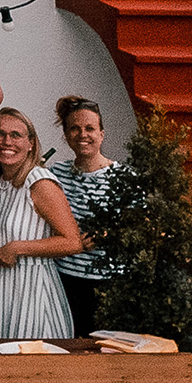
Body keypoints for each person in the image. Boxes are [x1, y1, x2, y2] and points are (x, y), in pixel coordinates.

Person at [0, 108, 85, 340]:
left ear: (31, 143)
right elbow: (15, 230)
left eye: (16, 135)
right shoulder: (2, 182)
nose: (6, 141)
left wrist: (17, 248)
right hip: (3, 289)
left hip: (32, 291)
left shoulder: (39, 182)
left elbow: (72, 242)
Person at [49, 96, 124, 331]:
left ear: (102, 134)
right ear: (66, 134)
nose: (83, 134)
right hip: (63, 280)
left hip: (108, 283)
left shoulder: (123, 177)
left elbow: (139, 229)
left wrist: (108, 235)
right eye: (75, 128)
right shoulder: (55, 173)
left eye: (90, 128)